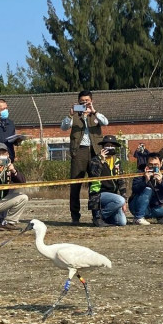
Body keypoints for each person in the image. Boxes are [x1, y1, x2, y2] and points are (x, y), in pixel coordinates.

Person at [61, 90, 108, 224]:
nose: (84, 103)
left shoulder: (96, 115)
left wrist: (94, 112)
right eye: (81, 102)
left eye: (87, 101)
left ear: (91, 101)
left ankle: (96, 215)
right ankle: (75, 216)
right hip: (79, 151)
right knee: (75, 184)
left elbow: (106, 122)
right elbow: (63, 127)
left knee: (96, 183)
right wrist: (70, 114)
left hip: (95, 151)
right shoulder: (74, 117)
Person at [87, 135, 127, 227]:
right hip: (98, 194)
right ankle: (98, 216)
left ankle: (105, 217)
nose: (110, 148)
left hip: (113, 196)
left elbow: (121, 181)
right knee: (119, 200)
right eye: (107, 146)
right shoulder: (95, 160)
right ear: (103, 147)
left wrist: (125, 200)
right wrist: (101, 160)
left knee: (122, 222)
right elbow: (94, 174)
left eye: (112, 146)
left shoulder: (117, 161)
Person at [129, 152, 163, 225]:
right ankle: (138, 218)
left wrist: (160, 181)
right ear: (147, 164)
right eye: (150, 164)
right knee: (148, 189)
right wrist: (146, 181)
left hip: (155, 207)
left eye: (156, 165)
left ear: (161, 164)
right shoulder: (140, 172)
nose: (153, 167)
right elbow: (135, 189)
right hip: (138, 206)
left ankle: (159, 216)